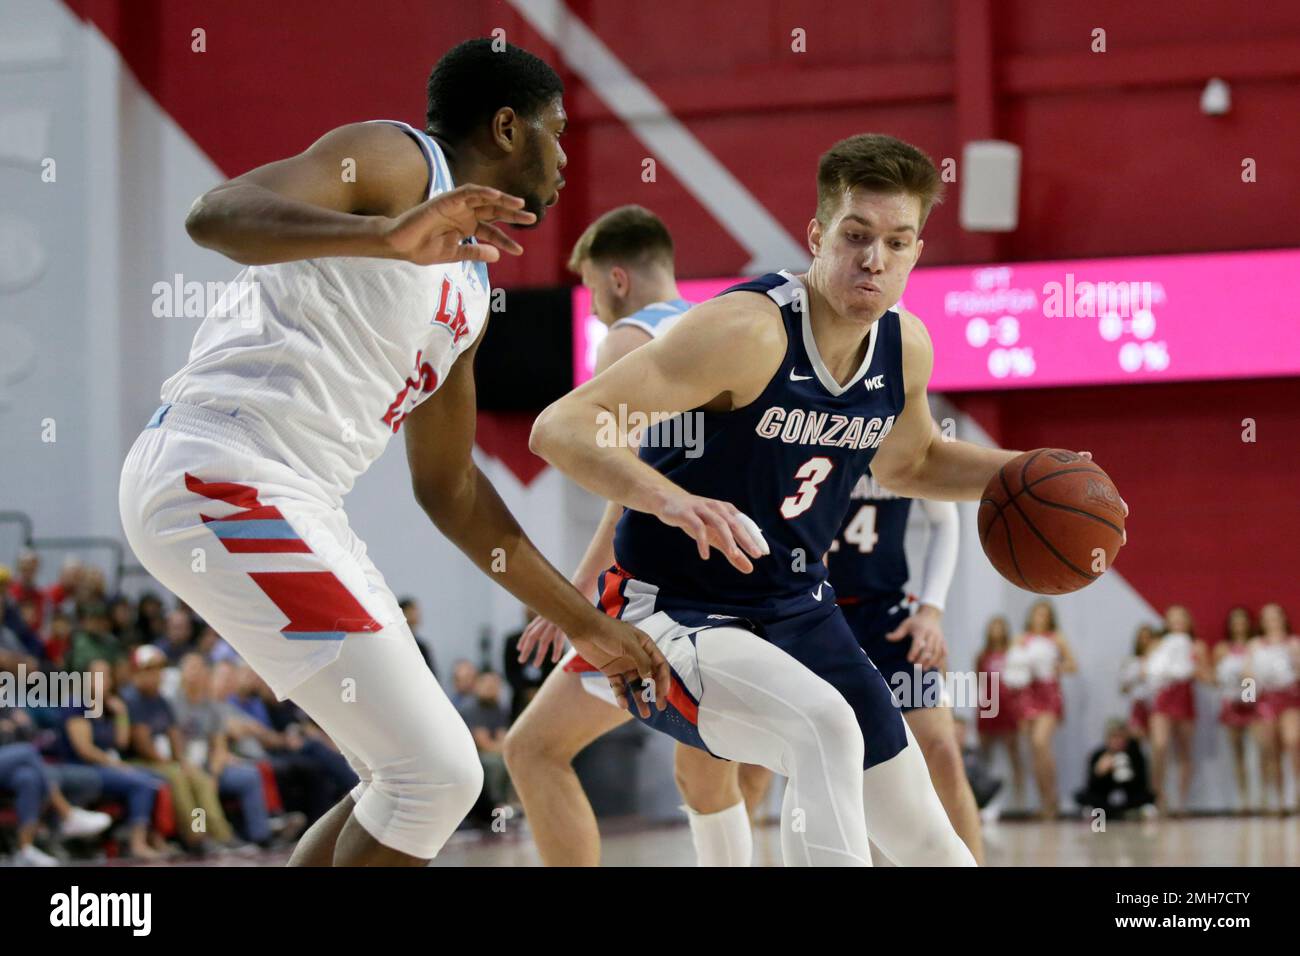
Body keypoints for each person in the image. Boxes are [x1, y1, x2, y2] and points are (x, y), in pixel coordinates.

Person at [117, 39, 668, 867]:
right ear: (508, 127)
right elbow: (215, 216)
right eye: (557, 133)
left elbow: (449, 490)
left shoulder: (472, 288)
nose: (566, 157)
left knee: (406, 776)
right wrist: (385, 234)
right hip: (221, 469)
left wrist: (584, 623)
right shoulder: (398, 160)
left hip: (298, 499)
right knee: (438, 775)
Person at [523, 133, 1124, 866]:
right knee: (824, 729)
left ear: (915, 252)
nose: (875, 259)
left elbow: (914, 462)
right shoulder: (745, 331)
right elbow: (560, 428)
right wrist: (669, 498)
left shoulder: (903, 347)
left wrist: (1026, 470)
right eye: (856, 235)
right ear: (817, 235)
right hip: (673, 609)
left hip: (798, 609)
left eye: (897, 242)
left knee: (938, 847)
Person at [59, 658, 166, 860]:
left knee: (157, 779)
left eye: (106, 676)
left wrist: (122, 714)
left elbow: (121, 743)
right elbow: (84, 749)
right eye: (97, 676)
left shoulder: (108, 706)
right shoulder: (76, 704)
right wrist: (115, 764)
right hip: (83, 767)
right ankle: (137, 842)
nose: (103, 681)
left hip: (107, 766)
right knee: (141, 783)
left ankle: (151, 835)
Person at [1014, 600, 1078, 820]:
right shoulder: (1022, 639)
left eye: (1044, 615)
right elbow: (1012, 666)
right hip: (1028, 693)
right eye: (1036, 614)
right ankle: (1044, 801)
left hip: (1049, 694)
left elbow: (1073, 665)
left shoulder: (1056, 638)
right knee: (1033, 750)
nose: (1040, 618)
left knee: (1041, 742)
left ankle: (1053, 797)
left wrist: (1054, 666)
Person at [1145, 604, 1206, 815]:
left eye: (1182, 617)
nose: (1178, 621)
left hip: (1184, 697)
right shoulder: (1157, 643)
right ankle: (1158, 796)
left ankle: (1182, 802)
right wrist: (1164, 670)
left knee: (1184, 750)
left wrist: (1192, 668)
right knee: (1159, 746)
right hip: (1163, 698)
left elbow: (1208, 677)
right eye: (1173, 618)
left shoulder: (1196, 645)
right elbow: (1146, 672)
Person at [1247, 603, 1300, 815]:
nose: (1272, 621)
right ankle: (1277, 799)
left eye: (1275, 616)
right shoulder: (1255, 645)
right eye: (1266, 617)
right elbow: (1247, 674)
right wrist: (1247, 701)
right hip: (1265, 701)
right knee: (1271, 750)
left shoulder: (1293, 643)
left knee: (1292, 741)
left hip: (1290, 699)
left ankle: (1296, 792)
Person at [975, 615, 1026, 814]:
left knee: (1014, 753)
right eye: (993, 626)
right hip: (989, 705)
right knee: (983, 754)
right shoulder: (982, 655)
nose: (996, 630)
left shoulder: (1012, 653)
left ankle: (1019, 799)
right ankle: (981, 797)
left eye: (1000, 627)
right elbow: (980, 682)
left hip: (1008, 706)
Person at [1214, 607, 1255, 812]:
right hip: (1231, 703)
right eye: (1235, 621)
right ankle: (1242, 798)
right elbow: (1216, 677)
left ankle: (1260, 796)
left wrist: (1250, 695)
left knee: (1256, 750)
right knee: (1236, 751)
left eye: (1242, 621)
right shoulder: (1223, 648)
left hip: (1254, 703)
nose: (1239, 625)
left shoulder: (1255, 645)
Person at [1075, 718, 1154, 819]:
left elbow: (1142, 784)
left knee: (1146, 797)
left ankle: (1130, 812)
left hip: (1129, 797)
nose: (1117, 740)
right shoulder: (1098, 755)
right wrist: (1099, 772)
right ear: (1107, 738)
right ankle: (1109, 813)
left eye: (1121, 736)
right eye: (1114, 736)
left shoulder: (1135, 754)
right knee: (1085, 797)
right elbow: (1091, 787)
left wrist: (1128, 771)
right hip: (1105, 799)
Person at [1119, 623, 1157, 741]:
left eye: (1148, 638)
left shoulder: (1160, 661)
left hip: (1155, 705)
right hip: (1138, 703)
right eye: (1142, 638)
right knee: (1137, 737)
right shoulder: (1131, 661)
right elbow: (1124, 688)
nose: (1145, 641)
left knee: (1156, 740)